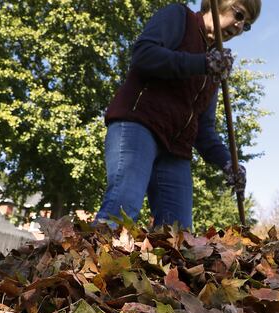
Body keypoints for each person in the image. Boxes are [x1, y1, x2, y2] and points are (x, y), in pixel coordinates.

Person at [95, 0, 261, 230]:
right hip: (139, 124)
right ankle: (84, 266)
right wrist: (201, 63)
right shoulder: (180, 17)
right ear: (219, 4)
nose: (240, 27)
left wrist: (228, 163)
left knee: (179, 237)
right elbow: (144, 55)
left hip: (176, 150)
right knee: (122, 208)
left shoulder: (215, 65)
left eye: (248, 25)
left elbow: (204, 130)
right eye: (240, 15)